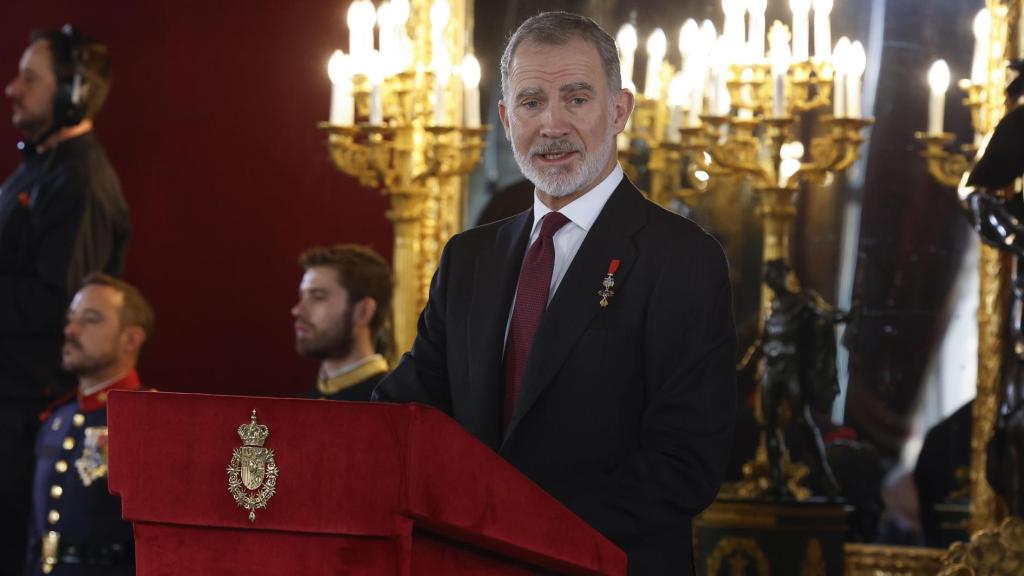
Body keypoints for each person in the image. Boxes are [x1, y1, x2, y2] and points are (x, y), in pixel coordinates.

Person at [374, 12, 736, 574]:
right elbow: (407, 414)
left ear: (620, 110)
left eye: (576, 98)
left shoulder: (682, 259)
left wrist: (512, 521)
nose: (551, 125)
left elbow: (685, 463)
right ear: (505, 118)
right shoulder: (469, 258)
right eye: (531, 102)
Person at [0, 26, 129, 573]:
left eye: (30, 79)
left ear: (73, 94)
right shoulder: (38, 168)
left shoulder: (81, 183)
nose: (12, 89)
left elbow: (58, 304)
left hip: (26, 415)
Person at [25, 273, 153, 575]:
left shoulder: (149, 420)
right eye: (71, 319)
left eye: (90, 319)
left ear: (131, 339)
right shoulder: (57, 419)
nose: (70, 330)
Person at [293, 244, 392, 401]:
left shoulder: (392, 404)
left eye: (318, 297)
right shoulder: (301, 403)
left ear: (363, 311)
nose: (297, 310)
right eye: (302, 296)